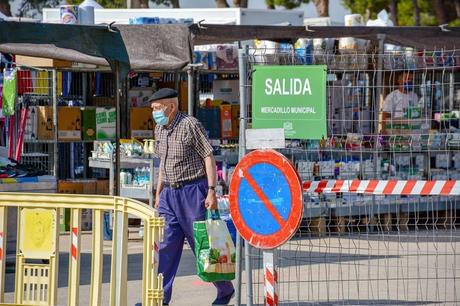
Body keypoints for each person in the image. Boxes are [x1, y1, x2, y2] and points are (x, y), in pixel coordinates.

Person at [150, 88, 235, 305]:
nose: (154, 113)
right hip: (169, 193)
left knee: (203, 245)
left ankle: (225, 289)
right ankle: (161, 298)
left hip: (192, 191)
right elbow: (162, 164)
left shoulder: (190, 124)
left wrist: (211, 190)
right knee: (166, 246)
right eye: (153, 109)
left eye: (157, 108)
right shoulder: (159, 128)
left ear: (171, 106)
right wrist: (159, 192)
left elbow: (208, 156)